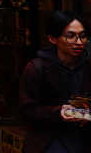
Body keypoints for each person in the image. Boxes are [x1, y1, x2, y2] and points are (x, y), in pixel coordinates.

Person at [20, 11, 91, 153]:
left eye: (82, 36)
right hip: (49, 141)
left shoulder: (88, 67)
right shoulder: (37, 68)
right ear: (53, 39)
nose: (79, 42)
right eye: (71, 36)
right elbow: (27, 110)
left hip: (83, 139)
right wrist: (59, 112)